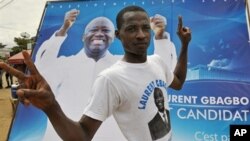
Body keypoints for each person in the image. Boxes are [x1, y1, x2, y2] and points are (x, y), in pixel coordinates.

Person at [0, 5, 191, 141]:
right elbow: (82, 134)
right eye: (131, 29)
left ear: (111, 37)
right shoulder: (108, 77)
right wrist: (51, 106)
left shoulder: (156, 62)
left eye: (144, 29)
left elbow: (179, 81)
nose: (140, 35)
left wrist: (184, 44)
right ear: (119, 35)